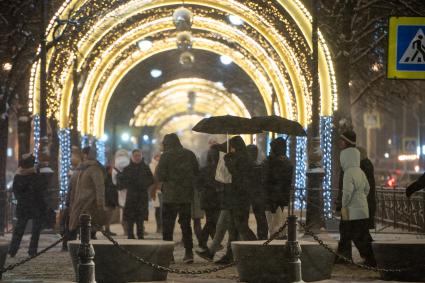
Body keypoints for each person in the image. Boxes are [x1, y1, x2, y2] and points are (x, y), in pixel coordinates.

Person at [156, 133, 199, 263]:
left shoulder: (165, 156)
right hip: (185, 195)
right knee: (186, 225)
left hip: (170, 196)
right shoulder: (189, 154)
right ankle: (189, 252)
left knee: (168, 226)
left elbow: (160, 176)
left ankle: (169, 255)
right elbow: (196, 172)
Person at [335, 130, 376, 267]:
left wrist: (344, 202)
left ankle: (371, 257)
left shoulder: (354, 163)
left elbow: (348, 189)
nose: (339, 143)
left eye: (342, 140)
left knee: (358, 232)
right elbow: (366, 187)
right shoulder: (354, 161)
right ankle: (344, 255)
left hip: (352, 206)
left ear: (346, 141)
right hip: (356, 205)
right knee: (346, 230)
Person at [9, 153, 47, 257]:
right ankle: (32, 251)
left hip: (25, 206)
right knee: (34, 231)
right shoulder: (34, 175)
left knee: (20, 230)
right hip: (35, 206)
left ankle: (13, 250)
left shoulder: (19, 175)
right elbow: (41, 189)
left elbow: (16, 192)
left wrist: (23, 200)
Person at [68, 146, 106, 239]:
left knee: (88, 228)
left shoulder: (93, 168)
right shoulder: (81, 167)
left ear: (85, 155)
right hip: (80, 202)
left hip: (89, 203)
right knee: (81, 227)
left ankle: (86, 249)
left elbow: (99, 186)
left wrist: (100, 202)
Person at [118, 149, 153, 239]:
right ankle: (130, 235)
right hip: (131, 196)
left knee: (140, 218)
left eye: (139, 155)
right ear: (132, 157)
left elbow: (151, 180)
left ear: (141, 156)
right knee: (130, 217)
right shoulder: (127, 169)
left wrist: (144, 184)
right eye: (135, 156)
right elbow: (122, 182)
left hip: (142, 196)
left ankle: (140, 234)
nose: (137, 157)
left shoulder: (145, 168)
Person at [262, 137, 293, 239]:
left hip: (273, 197)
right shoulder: (286, 162)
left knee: (274, 225)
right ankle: (280, 239)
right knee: (278, 223)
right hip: (280, 197)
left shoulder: (274, 162)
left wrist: (268, 161)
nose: (270, 150)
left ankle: (276, 244)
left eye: (272, 148)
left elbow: (268, 178)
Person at [196, 146, 221, 250]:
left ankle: (206, 242)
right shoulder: (219, 169)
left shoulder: (203, 169)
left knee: (211, 221)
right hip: (215, 198)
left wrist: (204, 189)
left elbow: (197, 184)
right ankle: (205, 242)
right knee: (212, 221)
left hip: (207, 198)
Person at [246, 144, 268, 240]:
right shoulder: (260, 166)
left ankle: (256, 237)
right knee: (261, 218)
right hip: (258, 194)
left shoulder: (248, 166)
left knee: (258, 217)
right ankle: (262, 236)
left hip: (250, 194)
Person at [357, 147, 376, 229]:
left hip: (365, 197)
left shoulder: (363, 165)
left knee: (363, 221)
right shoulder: (367, 163)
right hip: (368, 197)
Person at [149, 153, 162, 233]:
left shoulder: (163, 165)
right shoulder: (151, 165)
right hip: (155, 189)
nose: (159, 158)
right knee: (157, 209)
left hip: (162, 189)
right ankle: (159, 226)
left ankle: (162, 226)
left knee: (163, 209)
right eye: (157, 157)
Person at [104, 165, 119, 236]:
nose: (113, 170)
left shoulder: (111, 177)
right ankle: (107, 229)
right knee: (108, 215)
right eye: (112, 169)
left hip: (111, 199)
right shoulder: (108, 177)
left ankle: (107, 229)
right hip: (109, 199)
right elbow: (109, 189)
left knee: (109, 216)